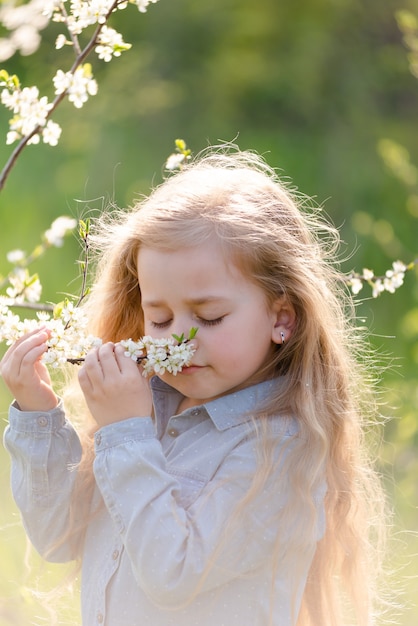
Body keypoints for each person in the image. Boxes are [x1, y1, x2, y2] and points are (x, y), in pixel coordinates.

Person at [1, 147, 387, 626]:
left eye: (209, 317)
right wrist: (38, 414)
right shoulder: (147, 410)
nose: (180, 338)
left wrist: (126, 434)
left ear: (280, 317)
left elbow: (174, 574)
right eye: (159, 319)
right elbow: (57, 537)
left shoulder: (279, 448)